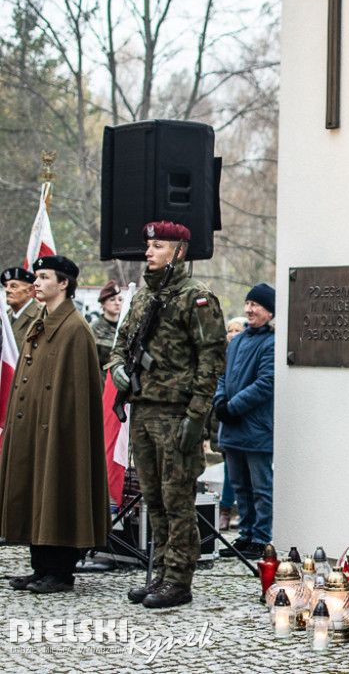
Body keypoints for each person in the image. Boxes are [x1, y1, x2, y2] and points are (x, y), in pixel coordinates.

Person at [109, 221, 227, 609]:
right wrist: (117, 368)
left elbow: (211, 360)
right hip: (144, 410)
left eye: (157, 246)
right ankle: (160, 572)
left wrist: (196, 417)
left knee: (178, 501)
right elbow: (120, 344)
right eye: (149, 245)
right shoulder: (144, 297)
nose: (148, 252)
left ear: (178, 251)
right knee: (153, 498)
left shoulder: (197, 298)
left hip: (176, 414)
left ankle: (179, 580)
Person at [0, 255, 111, 593]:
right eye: (36, 276)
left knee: (59, 490)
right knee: (36, 490)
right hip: (34, 427)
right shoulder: (41, 323)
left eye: (45, 277)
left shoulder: (75, 328)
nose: (37, 282)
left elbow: (76, 394)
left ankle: (60, 572)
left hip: (61, 431)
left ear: (64, 283)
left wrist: (61, 429)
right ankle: (41, 566)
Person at [214, 285, 275, 561]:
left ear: (270, 311)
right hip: (232, 427)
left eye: (256, 305)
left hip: (256, 427)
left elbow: (266, 383)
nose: (249, 309)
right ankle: (246, 534)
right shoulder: (237, 341)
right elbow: (223, 376)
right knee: (239, 485)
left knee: (261, 487)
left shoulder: (272, 343)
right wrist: (219, 403)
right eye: (247, 303)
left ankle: (262, 537)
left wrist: (234, 407)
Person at [214, 316, 247, 531]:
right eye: (230, 330)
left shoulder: (249, 353)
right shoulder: (224, 355)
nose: (232, 334)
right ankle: (224, 510)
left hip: (247, 422)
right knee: (230, 470)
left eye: (237, 330)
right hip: (225, 422)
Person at [89, 279, 122, 386]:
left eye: (120, 299)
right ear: (103, 304)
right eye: (112, 300)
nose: (117, 303)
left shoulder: (126, 326)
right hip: (102, 383)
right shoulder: (94, 328)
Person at [3, 266, 45, 349]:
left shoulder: (41, 316)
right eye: (6, 286)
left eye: (13, 286)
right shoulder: (6, 316)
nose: (7, 290)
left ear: (29, 290)